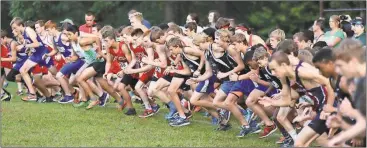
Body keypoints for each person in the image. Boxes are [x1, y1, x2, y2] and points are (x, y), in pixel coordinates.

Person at [328, 39, 366, 147]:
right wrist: (342, 126)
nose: (338, 71)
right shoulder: (359, 83)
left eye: (340, 65)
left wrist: (352, 112)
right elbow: (363, 126)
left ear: (353, 61)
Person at [10, 17, 55, 102]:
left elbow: (37, 43)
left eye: (15, 28)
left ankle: (69, 90)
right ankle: (32, 94)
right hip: (35, 55)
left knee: (56, 74)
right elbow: (31, 47)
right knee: (22, 70)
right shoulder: (23, 34)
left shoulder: (28, 30)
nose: (14, 30)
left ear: (20, 25)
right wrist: (27, 49)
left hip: (43, 53)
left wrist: (23, 46)